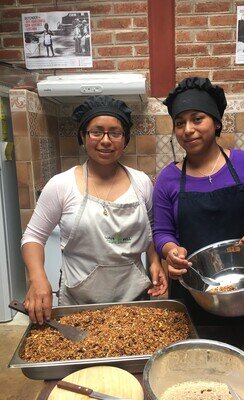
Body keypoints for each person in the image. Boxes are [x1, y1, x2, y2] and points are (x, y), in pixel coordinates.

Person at [153, 77, 244, 326]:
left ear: (216, 122)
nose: (187, 129)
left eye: (197, 119)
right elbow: (162, 232)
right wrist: (171, 252)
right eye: (179, 123)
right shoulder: (168, 178)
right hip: (195, 289)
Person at [22, 95, 168, 324]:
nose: (106, 140)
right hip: (79, 303)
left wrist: (155, 261)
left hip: (135, 300)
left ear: (125, 139)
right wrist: (37, 278)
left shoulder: (141, 183)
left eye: (115, 133)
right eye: (96, 131)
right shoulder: (62, 185)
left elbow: (150, 230)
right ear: (83, 136)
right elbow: (33, 237)